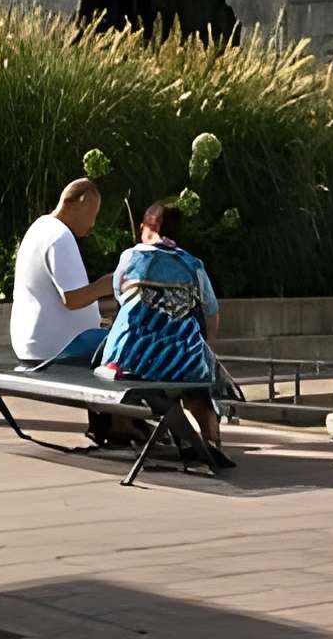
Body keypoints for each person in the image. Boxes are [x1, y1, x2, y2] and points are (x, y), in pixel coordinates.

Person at [99, 201, 234, 470]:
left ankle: (121, 427)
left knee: (107, 348)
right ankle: (210, 440)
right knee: (199, 379)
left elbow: (120, 297)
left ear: (144, 228)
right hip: (181, 362)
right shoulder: (193, 265)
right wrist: (204, 348)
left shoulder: (130, 258)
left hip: (128, 362)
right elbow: (212, 313)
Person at [9, 176, 113, 368]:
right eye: (93, 215)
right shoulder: (59, 236)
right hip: (57, 350)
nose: (92, 224)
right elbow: (72, 299)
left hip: (35, 345)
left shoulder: (41, 227)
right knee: (127, 348)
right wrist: (109, 284)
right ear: (82, 202)